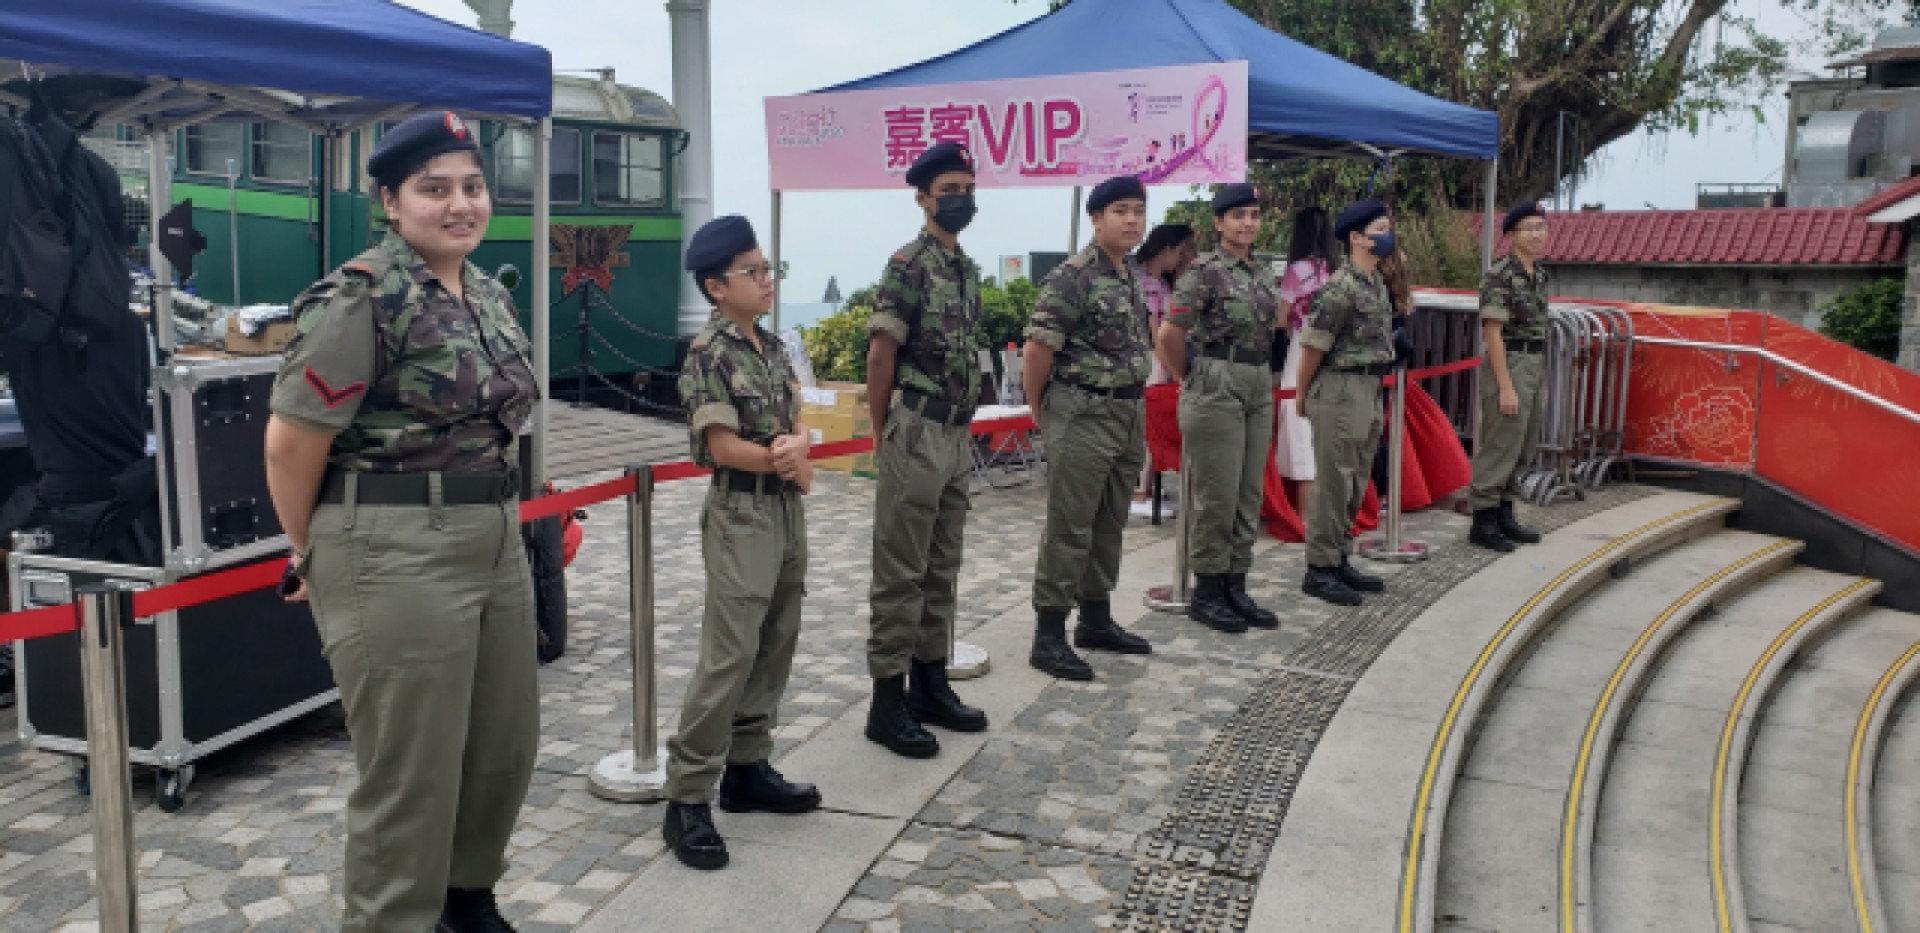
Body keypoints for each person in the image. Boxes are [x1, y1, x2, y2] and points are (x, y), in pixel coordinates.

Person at [264, 111, 540, 933]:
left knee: (502, 745)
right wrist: (315, 553)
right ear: (390, 201)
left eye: (472, 186)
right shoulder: (361, 298)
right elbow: (290, 445)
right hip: (394, 546)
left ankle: (466, 898)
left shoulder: (486, 292)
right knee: (410, 769)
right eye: (434, 189)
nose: (460, 204)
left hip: (492, 533)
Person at [658, 215, 822, 870]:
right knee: (729, 655)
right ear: (716, 287)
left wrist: (797, 446)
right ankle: (687, 795)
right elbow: (721, 447)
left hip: (783, 510)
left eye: (766, 267)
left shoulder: (773, 347)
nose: (765, 279)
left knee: (777, 640)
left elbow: (799, 417)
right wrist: (784, 456)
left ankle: (748, 769)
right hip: (741, 511)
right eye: (752, 271)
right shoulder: (709, 353)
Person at [864, 141, 989, 760]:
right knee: (901, 572)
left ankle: (930, 683)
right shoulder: (908, 265)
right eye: (949, 191)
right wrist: (884, 433)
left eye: (968, 189)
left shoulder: (965, 269)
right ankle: (887, 703)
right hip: (915, 429)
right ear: (923, 199)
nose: (961, 200)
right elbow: (881, 355)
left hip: (955, 434)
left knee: (942, 566)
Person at [1021, 175, 1157, 681]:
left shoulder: (1128, 273)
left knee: (1109, 521)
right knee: (1070, 525)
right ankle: (1049, 635)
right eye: (1120, 211)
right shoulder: (1072, 277)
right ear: (1096, 218)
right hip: (1082, 410)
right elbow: (1037, 351)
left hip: (1126, 411)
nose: (1131, 220)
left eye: (1138, 211)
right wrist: (1041, 411)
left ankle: (1095, 619)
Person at [1155, 183, 1283, 635]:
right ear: (1219, 222)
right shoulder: (1204, 272)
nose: (1248, 223)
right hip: (1216, 377)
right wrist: (1190, 377)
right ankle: (1207, 590)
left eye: (1254, 215)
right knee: (1218, 494)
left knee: (1248, 492)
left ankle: (1235, 584)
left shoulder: (1263, 273)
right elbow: (1169, 334)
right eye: (1238, 215)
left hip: (1257, 379)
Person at [1293, 199, 1397, 607]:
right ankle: (1319, 568)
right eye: (1380, 229)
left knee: (1355, 479)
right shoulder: (1340, 287)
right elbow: (1312, 348)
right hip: (1340, 387)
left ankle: (1338, 557)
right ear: (1356, 238)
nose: (1388, 236)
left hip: (1369, 387)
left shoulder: (1376, 283)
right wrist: (1302, 396)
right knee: (1334, 481)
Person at [1468, 203, 1552, 551]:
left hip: (1533, 362)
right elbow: (1492, 332)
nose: (1536, 234)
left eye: (1541, 227)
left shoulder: (1540, 275)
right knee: (1501, 443)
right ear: (1512, 235)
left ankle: (1505, 512)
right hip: (1510, 360)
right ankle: (1483, 520)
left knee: (1523, 443)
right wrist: (1505, 386)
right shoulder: (1500, 275)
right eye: (1528, 228)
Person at [1275, 207, 1337, 515]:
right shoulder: (1336, 269)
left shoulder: (1297, 270)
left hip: (1302, 344)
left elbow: (1280, 318)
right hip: (1331, 348)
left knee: (1297, 421)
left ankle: (1303, 514)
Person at [1131, 222, 1195, 517]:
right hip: (1153, 360)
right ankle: (1141, 489)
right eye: (1179, 252)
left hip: (1162, 359)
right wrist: (1173, 366)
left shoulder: (1160, 282)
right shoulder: (1145, 282)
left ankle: (1146, 486)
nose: (1181, 258)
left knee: (1154, 425)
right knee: (1151, 424)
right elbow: (1153, 332)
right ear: (1167, 250)